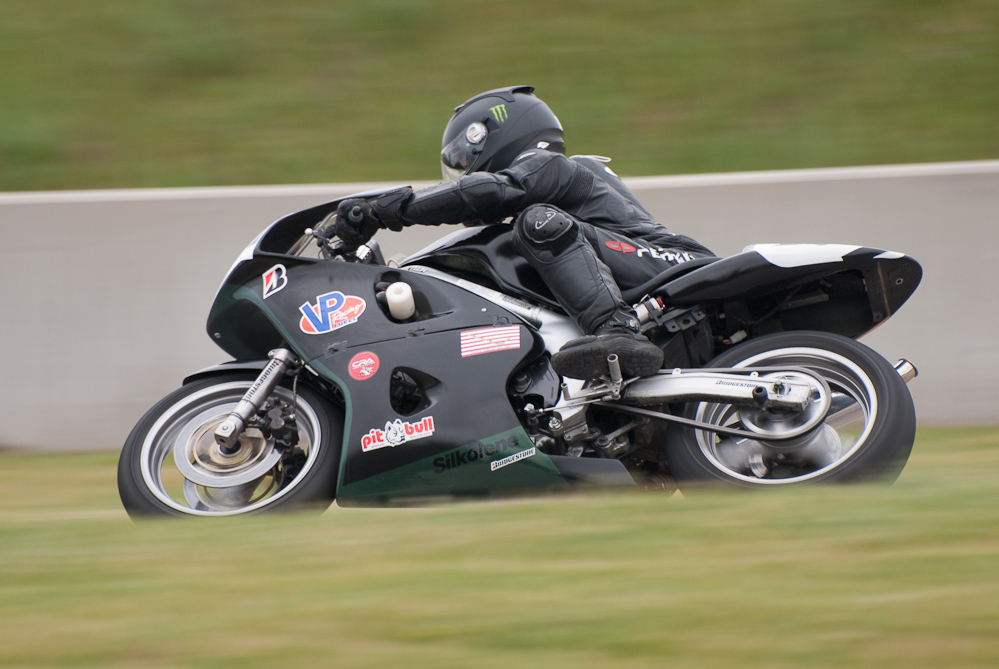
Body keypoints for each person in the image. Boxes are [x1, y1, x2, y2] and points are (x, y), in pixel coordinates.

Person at [334, 85, 714, 381]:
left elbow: (489, 191)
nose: (465, 171)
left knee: (537, 222)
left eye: (465, 159)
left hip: (670, 261)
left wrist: (383, 210)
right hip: (644, 268)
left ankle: (618, 332)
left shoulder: (552, 167)